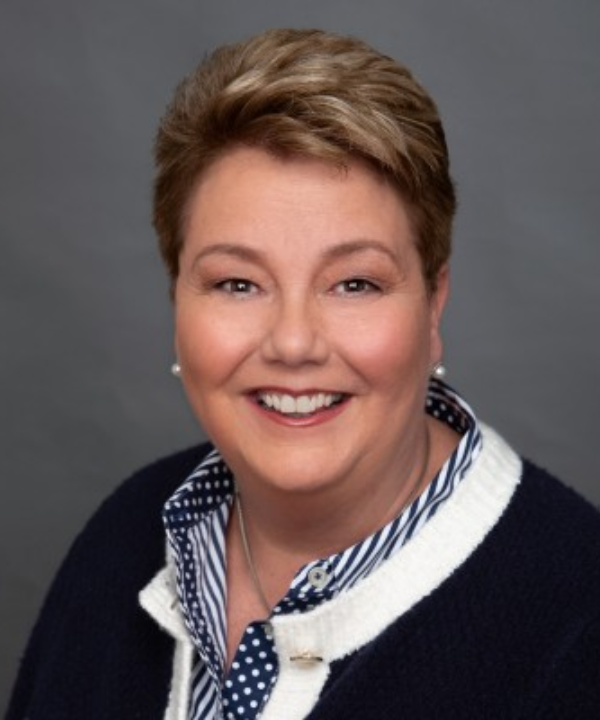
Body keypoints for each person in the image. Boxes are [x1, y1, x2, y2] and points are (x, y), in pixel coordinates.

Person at [7, 28, 600, 720]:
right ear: (177, 300)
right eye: (237, 284)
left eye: (354, 284)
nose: (293, 343)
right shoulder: (124, 535)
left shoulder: (578, 623)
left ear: (433, 303)